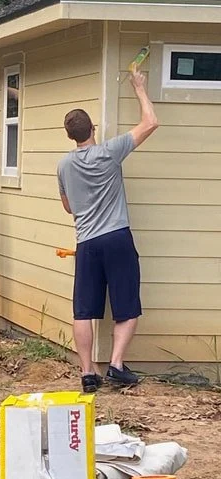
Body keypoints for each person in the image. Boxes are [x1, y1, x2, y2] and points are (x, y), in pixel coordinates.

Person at [57, 70, 159, 394]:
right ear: (93, 129)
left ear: (70, 135)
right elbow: (151, 122)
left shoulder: (63, 166)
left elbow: (68, 207)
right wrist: (139, 87)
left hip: (86, 242)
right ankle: (116, 364)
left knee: (83, 310)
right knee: (126, 305)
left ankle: (88, 372)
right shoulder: (110, 151)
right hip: (116, 237)